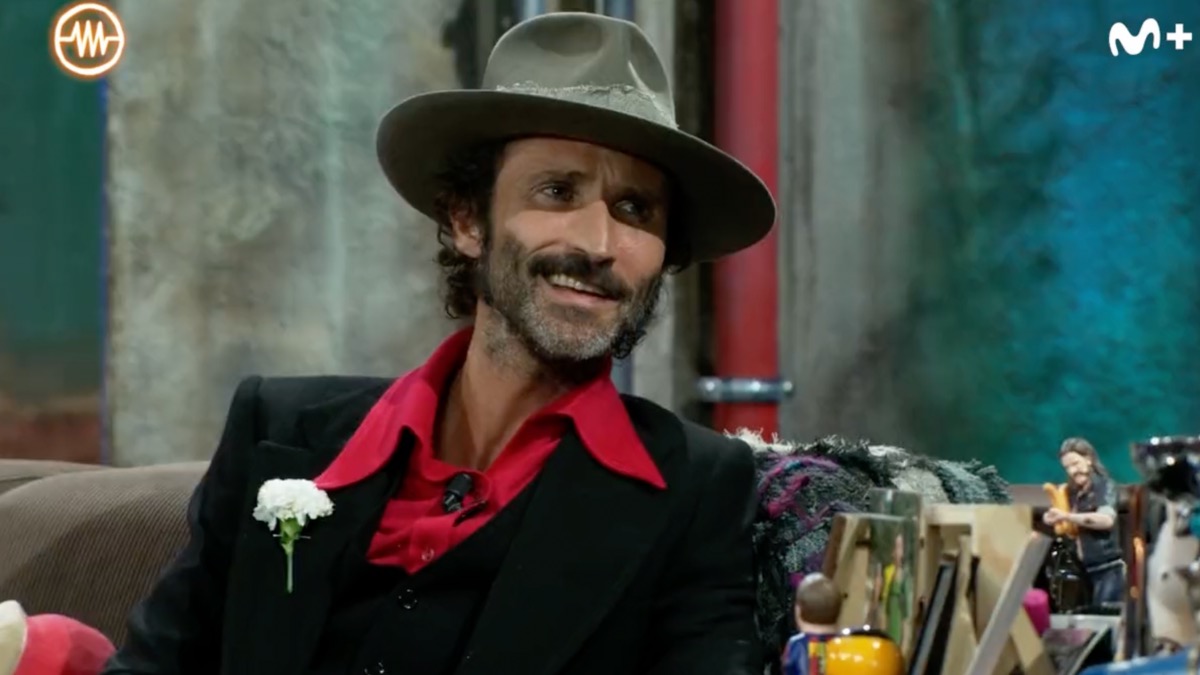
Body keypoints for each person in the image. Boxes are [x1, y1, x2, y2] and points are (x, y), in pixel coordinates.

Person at [101, 10, 776, 675]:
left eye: (635, 209)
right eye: (557, 191)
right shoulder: (277, 430)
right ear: (467, 221)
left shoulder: (698, 490)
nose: (599, 243)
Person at [1043, 437, 1125, 606]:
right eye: (1067, 467)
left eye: (1075, 464)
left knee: (1105, 615)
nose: (1073, 471)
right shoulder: (1074, 493)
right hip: (1083, 571)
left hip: (1108, 570)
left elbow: (1105, 520)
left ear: (1088, 459)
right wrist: (1052, 518)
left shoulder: (1104, 486)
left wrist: (1067, 516)